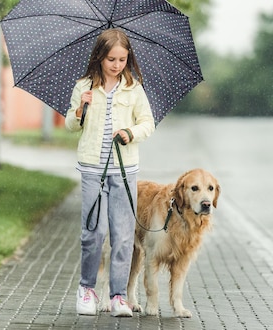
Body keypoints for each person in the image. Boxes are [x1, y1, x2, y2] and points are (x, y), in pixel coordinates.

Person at [65, 28, 155, 317]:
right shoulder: (83, 87)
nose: (117, 65)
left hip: (124, 171)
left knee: (124, 235)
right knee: (93, 232)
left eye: (122, 59)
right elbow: (71, 125)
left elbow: (147, 123)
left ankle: (118, 296)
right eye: (111, 59)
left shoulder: (134, 88)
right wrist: (81, 109)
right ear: (99, 57)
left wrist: (130, 132)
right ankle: (87, 289)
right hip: (93, 169)